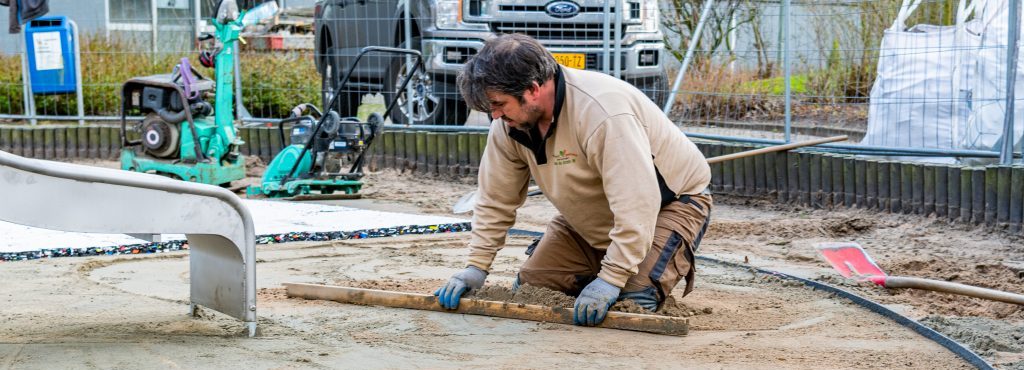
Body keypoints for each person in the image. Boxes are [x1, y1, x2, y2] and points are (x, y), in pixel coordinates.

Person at [434, 33, 712, 327]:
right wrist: (476, 267)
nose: (494, 114)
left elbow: (636, 203)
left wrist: (612, 278)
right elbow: (495, 198)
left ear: (533, 89)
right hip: (590, 216)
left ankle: (621, 271)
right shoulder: (508, 123)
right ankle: (604, 268)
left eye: (498, 103)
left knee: (631, 303)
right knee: (532, 290)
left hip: (667, 207)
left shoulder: (603, 112)